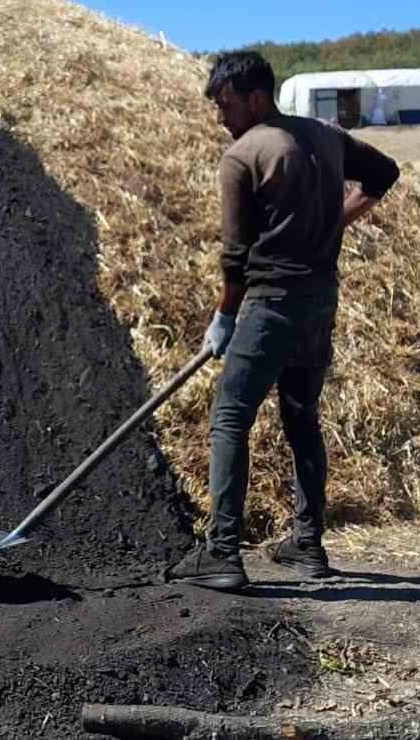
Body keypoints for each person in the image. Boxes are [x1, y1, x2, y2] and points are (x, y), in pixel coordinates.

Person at [166, 51, 399, 591]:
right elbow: (384, 173)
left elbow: (235, 256)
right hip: (320, 303)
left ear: (256, 97)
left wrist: (224, 317)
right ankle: (307, 545)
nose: (219, 118)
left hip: (270, 303)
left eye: (225, 106)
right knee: (302, 419)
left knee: (229, 418)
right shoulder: (325, 135)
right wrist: (335, 221)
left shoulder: (243, 155)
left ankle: (222, 552)